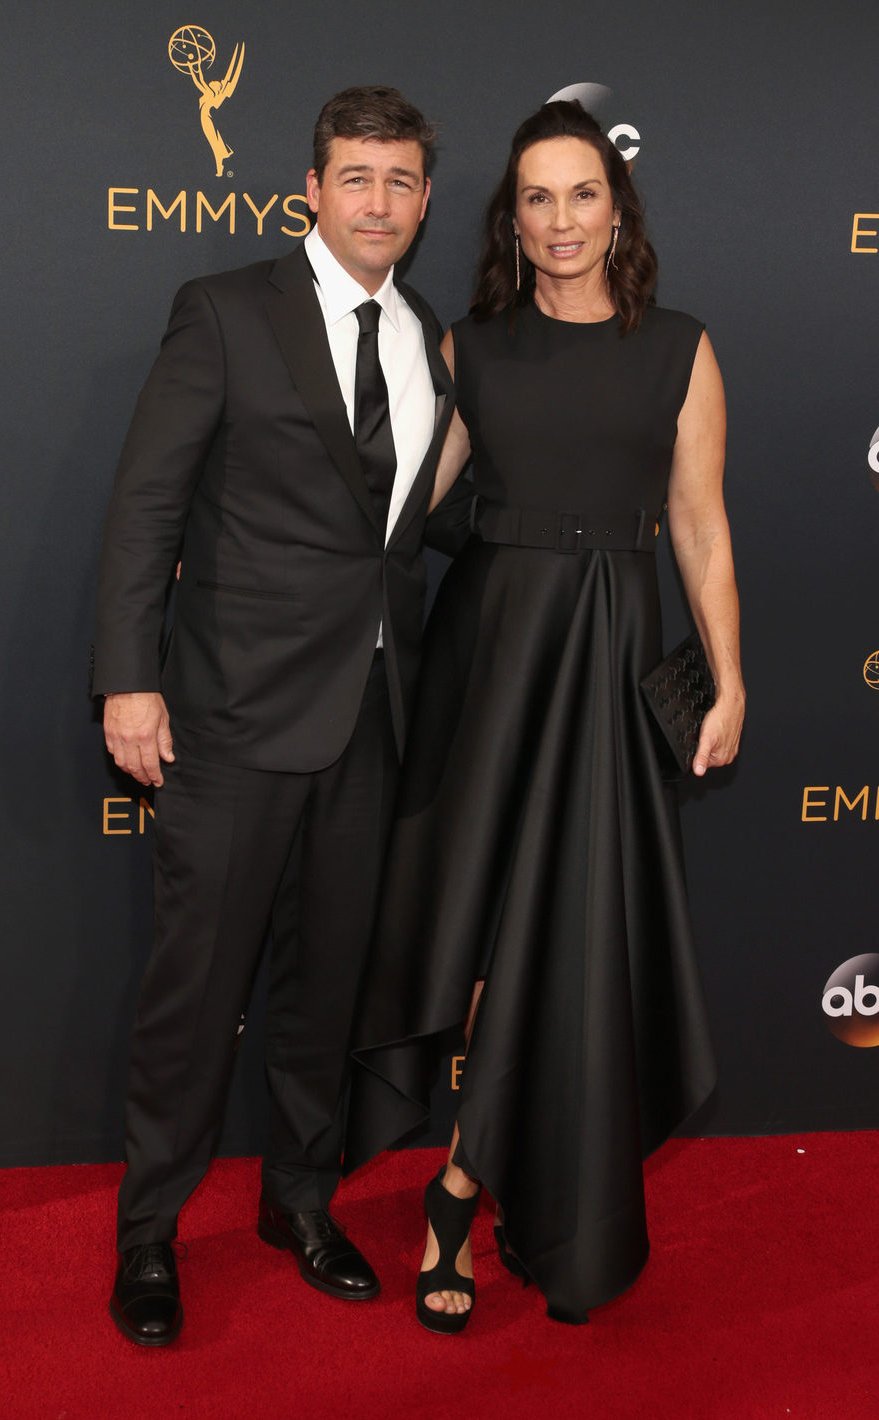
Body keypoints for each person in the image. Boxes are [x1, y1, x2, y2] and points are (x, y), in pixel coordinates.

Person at [344, 99, 745, 1333]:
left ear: (615, 207)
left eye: (582, 194)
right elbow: (402, 511)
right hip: (492, 663)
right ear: (509, 220)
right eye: (536, 197)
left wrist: (730, 677)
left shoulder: (680, 345)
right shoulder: (470, 348)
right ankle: (476, 1169)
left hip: (614, 658)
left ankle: (467, 1183)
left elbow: (698, 526)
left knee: (577, 934)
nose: (561, 220)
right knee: (476, 930)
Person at [92, 85, 468, 1346]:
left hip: (373, 715)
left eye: (402, 181)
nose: (379, 202)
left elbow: (406, 532)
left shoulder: (428, 335)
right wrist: (127, 677)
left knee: (323, 991)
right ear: (312, 186)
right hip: (234, 715)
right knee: (197, 990)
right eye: (357, 176)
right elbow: (148, 505)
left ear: (425, 200)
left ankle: (299, 1201)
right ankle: (150, 1229)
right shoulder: (225, 310)